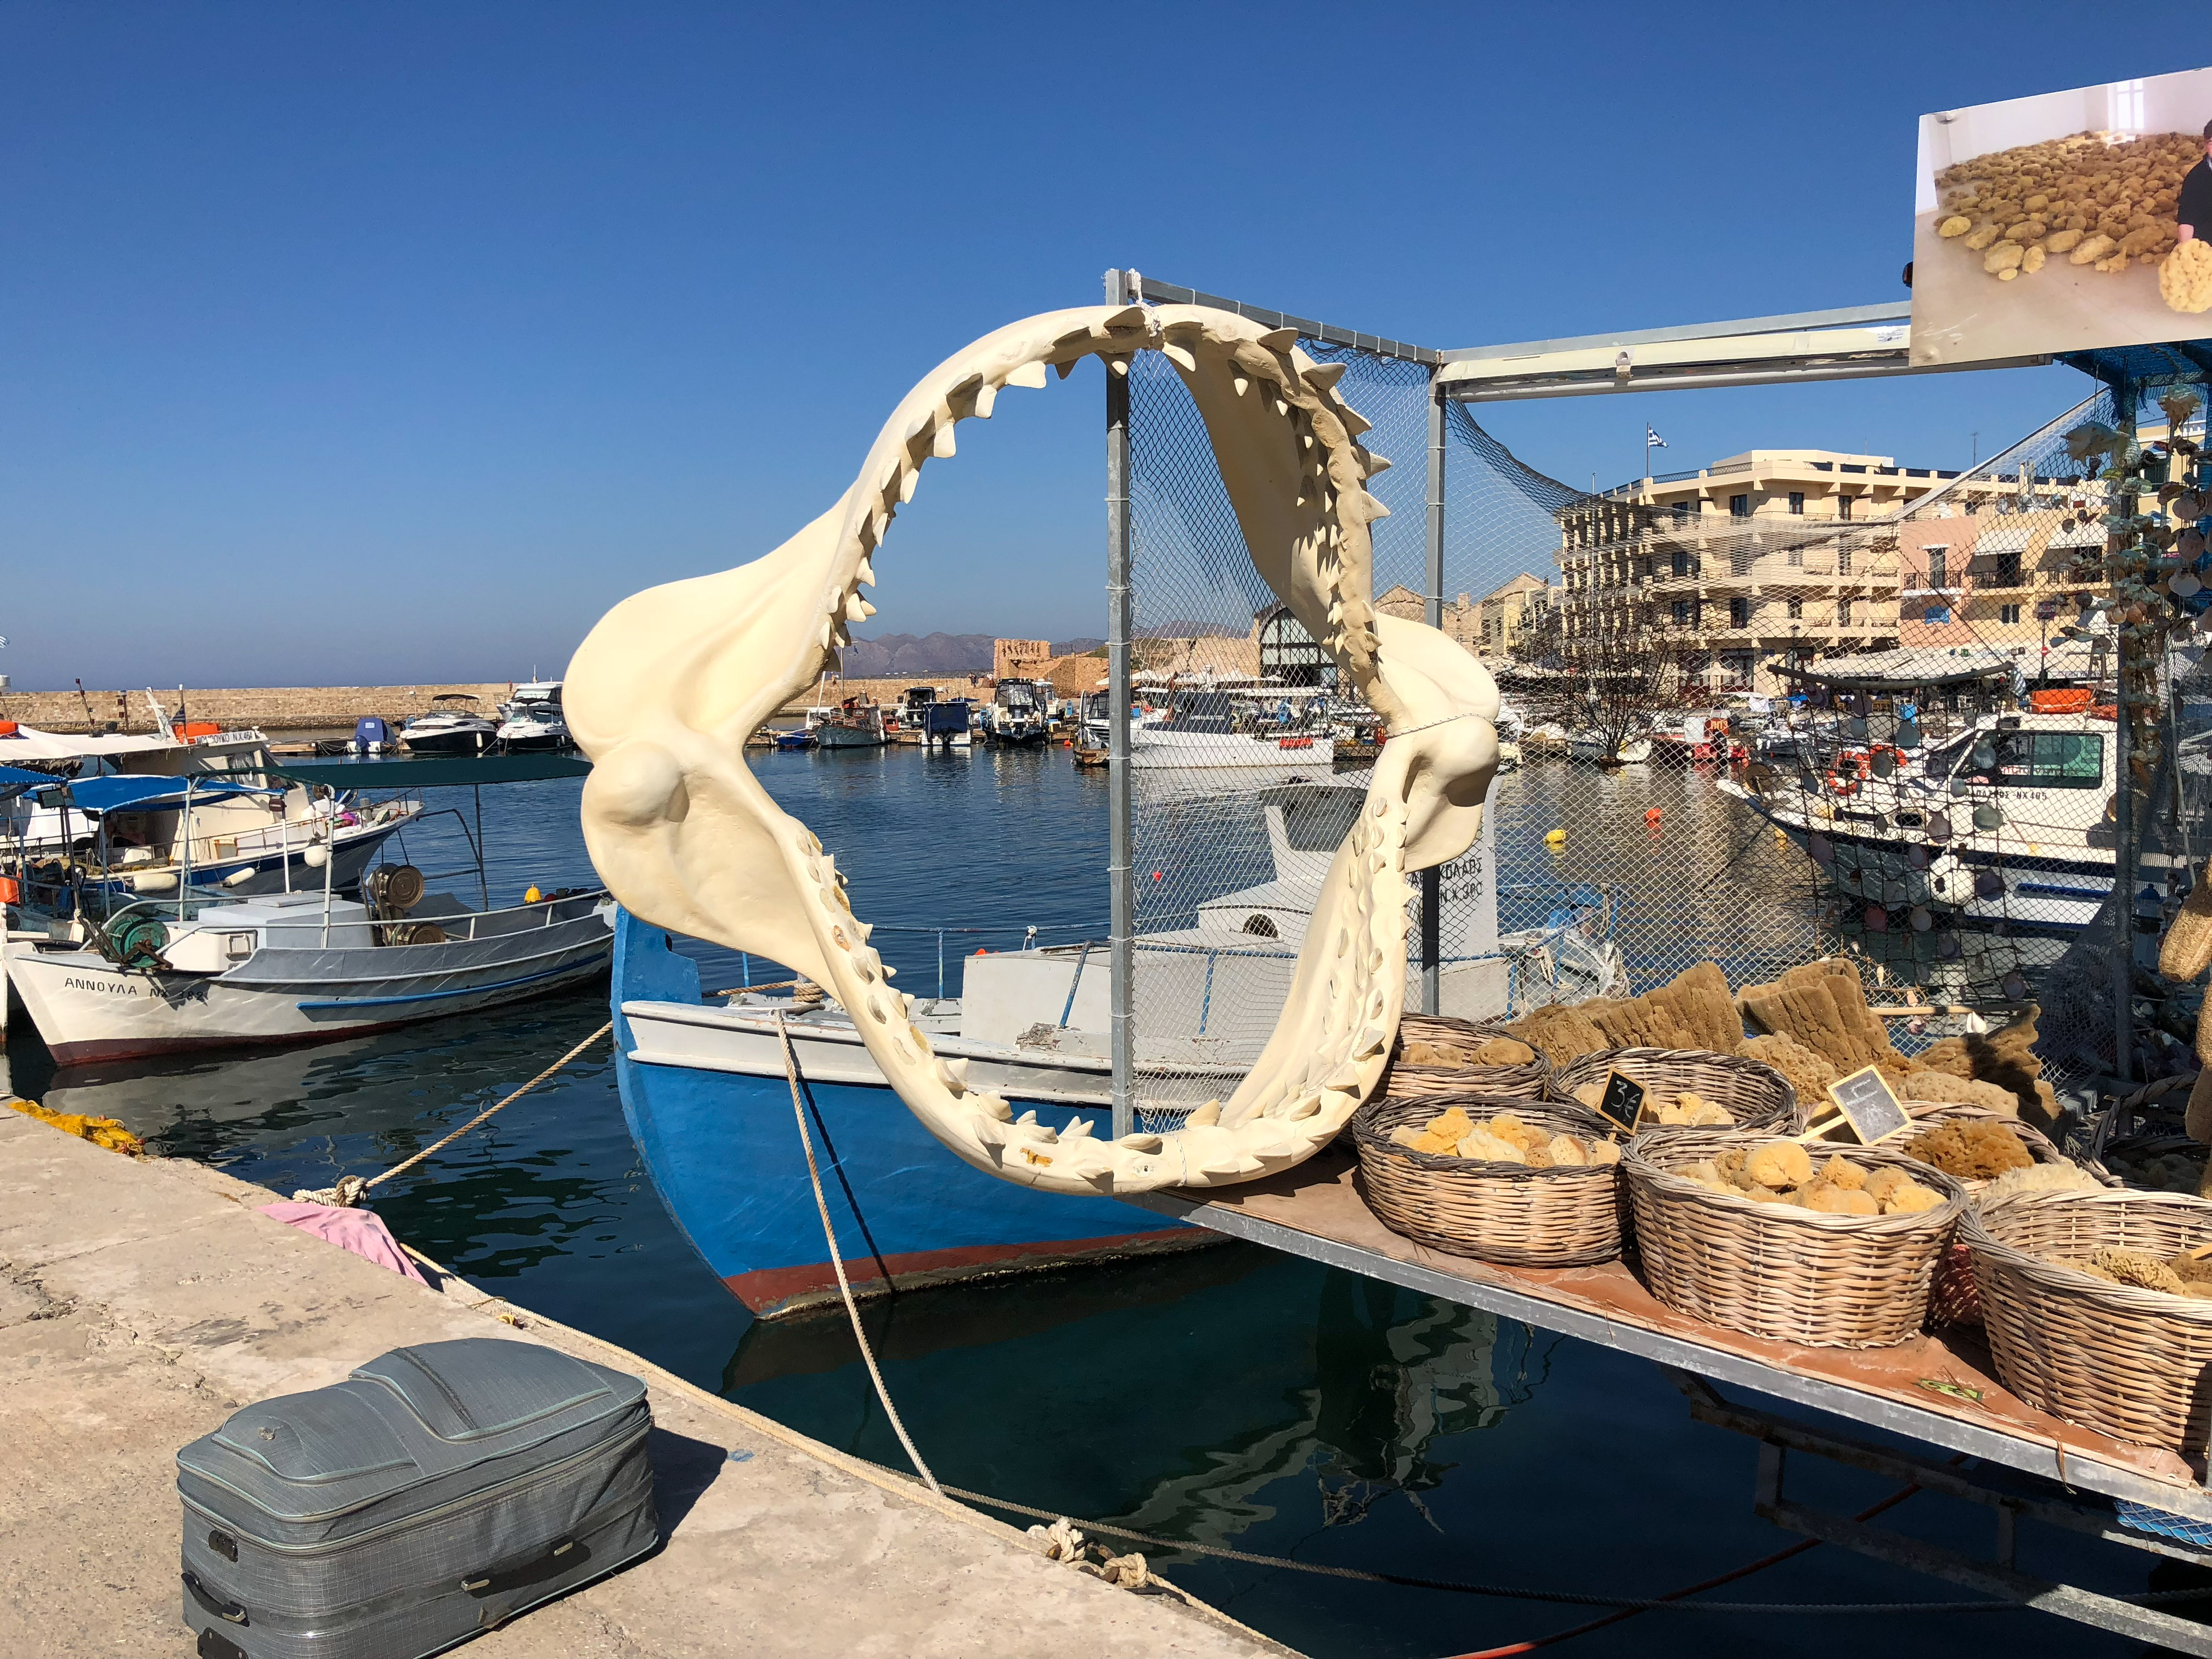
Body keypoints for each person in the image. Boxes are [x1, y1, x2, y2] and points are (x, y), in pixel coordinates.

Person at [2179, 120, 2212, 244]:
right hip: (2207, 246)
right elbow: (2187, 220)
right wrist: (2186, 250)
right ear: (2205, 145)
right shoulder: (2195, 178)